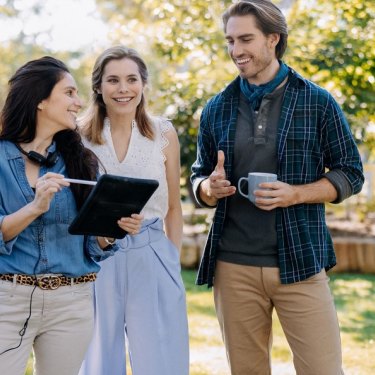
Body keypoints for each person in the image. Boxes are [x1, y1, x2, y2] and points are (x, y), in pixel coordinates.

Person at [191, 1, 364, 374]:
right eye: (230, 41)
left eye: (246, 39)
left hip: (300, 261)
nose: (236, 51)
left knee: (323, 369)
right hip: (233, 266)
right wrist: (209, 187)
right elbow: (198, 176)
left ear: (273, 38)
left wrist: (298, 194)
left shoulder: (317, 101)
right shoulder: (216, 108)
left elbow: (352, 172)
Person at [0, 56, 142, 375]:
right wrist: (34, 207)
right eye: (69, 93)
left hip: (71, 301)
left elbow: (91, 244)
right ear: (40, 99)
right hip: (7, 300)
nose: (79, 102)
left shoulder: (79, 162)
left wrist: (112, 231)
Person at [78, 46, 189, 375]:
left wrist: (172, 256)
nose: (123, 89)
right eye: (113, 80)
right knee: (98, 359)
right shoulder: (78, 137)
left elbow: (172, 207)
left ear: (143, 84)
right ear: (98, 87)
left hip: (153, 253)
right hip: (97, 258)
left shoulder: (163, 133)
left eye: (131, 79)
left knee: (161, 359)